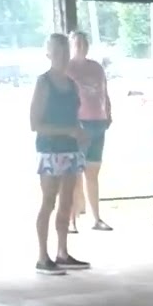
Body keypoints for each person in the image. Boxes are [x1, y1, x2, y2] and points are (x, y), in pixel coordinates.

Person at [29, 33, 90, 275]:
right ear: (49, 54)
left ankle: (62, 252)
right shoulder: (44, 82)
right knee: (48, 201)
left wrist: (79, 131)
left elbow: (72, 116)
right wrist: (68, 131)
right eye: (57, 52)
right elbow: (35, 123)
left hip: (71, 149)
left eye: (65, 52)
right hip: (49, 149)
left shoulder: (72, 84)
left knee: (66, 202)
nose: (62, 57)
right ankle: (42, 256)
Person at [67, 31, 113, 233]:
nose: (81, 46)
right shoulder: (67, 68)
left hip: (98, 122)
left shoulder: (96, 67)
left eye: (84, 43)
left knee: (92, 173)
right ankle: (72, 219)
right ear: (71, 46)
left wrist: (108, 113)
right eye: (77, 43)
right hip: (79, 123)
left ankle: (96, 218)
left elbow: (105, 92)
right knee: (75, 174)